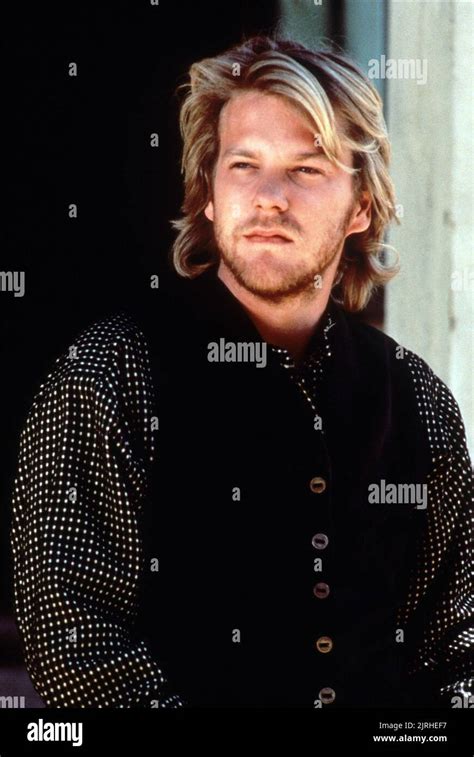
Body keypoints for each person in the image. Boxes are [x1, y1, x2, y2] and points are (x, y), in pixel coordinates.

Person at [10, 35, 473, 709]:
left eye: (306, 169)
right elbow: (74, 641)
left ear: (362, 207)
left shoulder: (419, 399)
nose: (268, 198)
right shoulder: (110, 374)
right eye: (244, 165)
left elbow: (457, 642)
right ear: (207, 193)